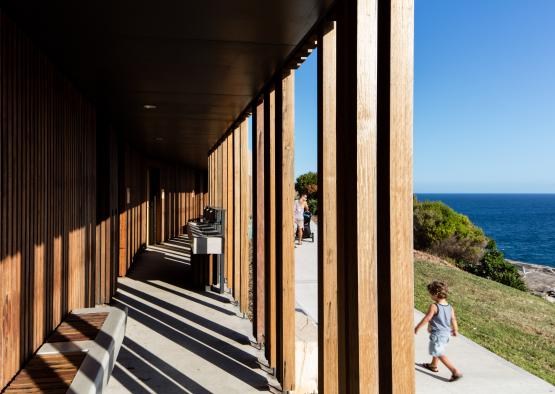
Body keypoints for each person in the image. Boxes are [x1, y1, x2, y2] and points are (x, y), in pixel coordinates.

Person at [414, 281, 463, 382]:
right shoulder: (450, 307)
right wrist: (455, 330)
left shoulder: (434, 306)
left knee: (438, 352)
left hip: (438, 334)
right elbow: (453, 319)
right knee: (438, 349)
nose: (430, 296)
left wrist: (417, 327)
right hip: (446, 334)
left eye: (430, 294)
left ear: (435, 294)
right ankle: (433, 365)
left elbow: (427, 318)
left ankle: (454, 371)